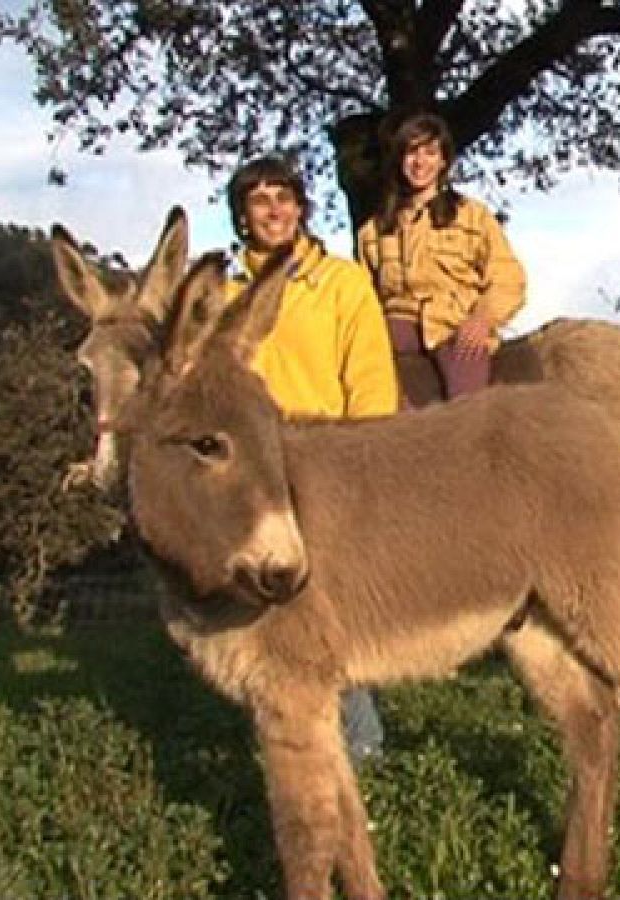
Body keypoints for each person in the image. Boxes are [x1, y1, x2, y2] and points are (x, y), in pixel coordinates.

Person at [226, 156, 401, 766]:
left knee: (326, 600)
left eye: (284, 198)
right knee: (259, 605)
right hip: (253, 469)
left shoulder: (341, 283)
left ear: (301, 209)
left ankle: (362, 741)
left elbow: (369, 373)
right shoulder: (225, 295)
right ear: (242, 217)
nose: (273, 210)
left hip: (328, 457)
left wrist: (367, 453)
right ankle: (286, 731)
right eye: (259, 200)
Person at [357, 112, 528, 407]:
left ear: (443, 161)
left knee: (468, 406)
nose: (420, 162)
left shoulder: (473, 216)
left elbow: (508, 278)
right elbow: (361, 296)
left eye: (430, 153)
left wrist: (482, 319)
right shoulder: (373, 231)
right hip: (395, 325)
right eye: (411, 152)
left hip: (453, 325)